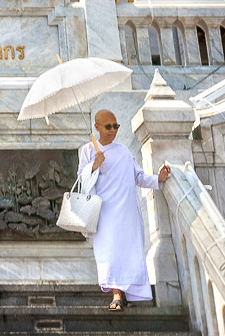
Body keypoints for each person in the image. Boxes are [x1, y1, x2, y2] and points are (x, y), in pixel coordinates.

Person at [77, 109, 170, 312]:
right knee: (109, 253)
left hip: (127, 210)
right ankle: (116, 294)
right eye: (108, 126)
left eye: (116, 126)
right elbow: (81, 179)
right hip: (104, 212)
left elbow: (139, 177)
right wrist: (94, 165)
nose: (113, 130)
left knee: (128, 252)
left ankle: (126, 293)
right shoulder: (87, 150)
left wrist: (158, 179)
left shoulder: (124, 151)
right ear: (97, 127)